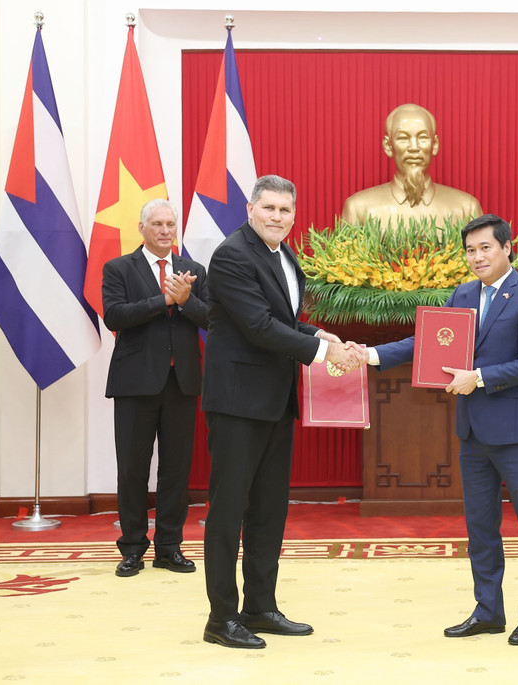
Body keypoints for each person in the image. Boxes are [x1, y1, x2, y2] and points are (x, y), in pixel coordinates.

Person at [362, 214, 518, 646]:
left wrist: (479, 377)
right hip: (472, 433)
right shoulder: (462, 293)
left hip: (517, 433)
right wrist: (371, 354)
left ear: (508, 248)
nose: (477, 257)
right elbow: (427, 344)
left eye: (485, 247)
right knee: (480, 528)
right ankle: (488, 611)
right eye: (470, 250)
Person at [201, 175, 363, 649]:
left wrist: (321, 334)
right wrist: (321, 351)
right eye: (268, 208)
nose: (277, 217)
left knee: (269, 510)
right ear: (250, 209)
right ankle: (221, 619)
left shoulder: (282, 254)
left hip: (274, 400)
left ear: (294, 215)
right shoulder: (232, 254)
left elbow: (283, 320)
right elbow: (256, 326)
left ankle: (260, 607)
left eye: (285, 210)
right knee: (228, 511)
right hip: (236, 403)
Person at [102, 198, 209, 578]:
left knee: (176, 469)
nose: (166, 230)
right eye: (158, 224)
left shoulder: (192, 269)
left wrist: (185, 301)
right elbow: (114, 315)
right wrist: (163, 299)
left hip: (181, 383)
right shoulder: (118, 268)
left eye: (170, 224)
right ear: (142, 228)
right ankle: (132, 548)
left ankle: (169, 547)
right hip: (135, 384)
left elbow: (212, 318)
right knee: (132, 469)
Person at [340, 103, 482, 228]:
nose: (414, 147)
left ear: (435, 145)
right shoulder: (358, 209)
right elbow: (342, 257)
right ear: (388, 146)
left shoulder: (466, 209)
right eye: (403, 138)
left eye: (423, 137)